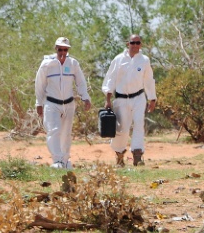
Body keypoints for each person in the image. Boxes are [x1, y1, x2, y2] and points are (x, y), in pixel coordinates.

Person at [35, 37, 92, 169]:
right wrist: (39, 103)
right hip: (51, 103)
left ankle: (65, 160)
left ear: (68, 50)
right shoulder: (47, 65)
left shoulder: (73, 64)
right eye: (60, 49)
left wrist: (85, 97)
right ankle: (57, 160)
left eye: (65, 49)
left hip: (69, 104)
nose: (62, 52)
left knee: (66, 132)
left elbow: (80, 82)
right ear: (56, 49)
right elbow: (40, 84)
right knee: (54, 130)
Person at [102, 34, 156, 167]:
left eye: (138, 43)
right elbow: (110, 78)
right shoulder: (119, 59)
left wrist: (152, 98)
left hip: (138, 97)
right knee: (122, 129)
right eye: (133, 43)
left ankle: (137, 155)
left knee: (138, 124)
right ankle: (119, 155)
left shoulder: (144, 60)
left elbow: (149, 80)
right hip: (121, 98)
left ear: (141, 45)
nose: (135, 45)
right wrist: (108, 99)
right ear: (128, 44)